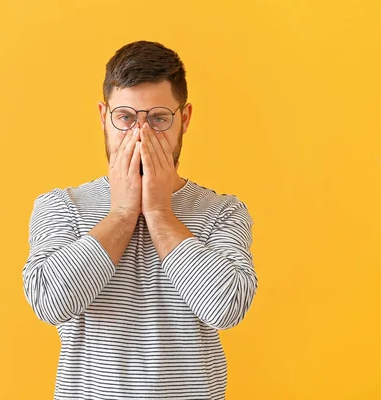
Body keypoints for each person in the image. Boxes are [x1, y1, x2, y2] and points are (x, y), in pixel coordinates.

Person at [22, 40, 258, 400]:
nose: (140, 135)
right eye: (126, 118)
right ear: (104, 117)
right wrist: (121, 213)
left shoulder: (222, 211)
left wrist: (161, 213)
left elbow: (226, 308)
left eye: (159, 118)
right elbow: (50, 303)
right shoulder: (61, 206)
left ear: (186, 119)